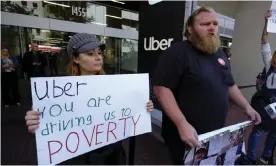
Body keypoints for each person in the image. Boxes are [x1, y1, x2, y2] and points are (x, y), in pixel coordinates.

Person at [152, 7, 261, 165]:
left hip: (215, 133)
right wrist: (182, 124)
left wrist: (247, 106)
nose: (212, 27)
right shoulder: (177, 52)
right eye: (205, 24)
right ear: (190, 29)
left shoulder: (219, 54)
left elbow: (230, 84)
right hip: (186, 135)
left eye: (215, 24)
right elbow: (161, 88)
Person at [24, 33, 154, 165]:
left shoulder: (115, 86)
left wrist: (142, 108)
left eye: (99, 53)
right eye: (90, 54)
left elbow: (126, 117)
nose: (98, 58)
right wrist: (36, 124)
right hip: (77, 159)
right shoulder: (58, 92)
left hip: (110, 157)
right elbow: (51, 125)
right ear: (76, 59)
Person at [247, 9, 276, 165]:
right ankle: (254, 158)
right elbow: (265, 40)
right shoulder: (271, 66)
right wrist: (266, 22)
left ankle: (264, 156)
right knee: (261, 130)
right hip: (268, 104)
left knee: (272, 132)